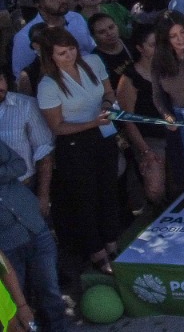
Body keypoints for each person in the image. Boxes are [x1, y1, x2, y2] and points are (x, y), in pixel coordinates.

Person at [34, 29, 122, 275]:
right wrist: (93, 123)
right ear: (50, 56)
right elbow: (57, 127)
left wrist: (106, 107)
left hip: (104, 134)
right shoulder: (48, 85)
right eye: (61, 53)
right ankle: (97, 252)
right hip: (74, 143)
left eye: (71, 49)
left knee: (108, 190)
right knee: (86, 198)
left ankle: (113, 242)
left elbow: (109, 92)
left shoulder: (93, 61)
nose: (69, 55)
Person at [0, 142, 67, 332]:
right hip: (6, 245)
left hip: (34, 227)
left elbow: (20, 166)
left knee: (50, 293)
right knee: (17, 303)